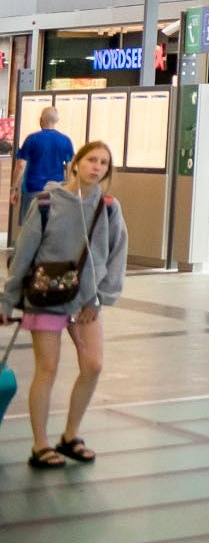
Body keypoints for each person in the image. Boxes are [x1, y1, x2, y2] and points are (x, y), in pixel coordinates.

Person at [1, 142, 128, 470]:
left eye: (103, 163)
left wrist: (101, 297)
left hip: (86, 301)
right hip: (46, 298)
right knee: (47, 369)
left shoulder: (109, 207)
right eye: (91, 160)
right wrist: (8, 299)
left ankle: (70, 435)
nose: (97, 167)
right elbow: (25, 252)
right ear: (75, 163)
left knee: (93, 365)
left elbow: (116, 255)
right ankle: (40, 444)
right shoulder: (47, 202)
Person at [10, 106, 76, 216]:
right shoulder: (65, 140)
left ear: (41, 120)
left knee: (30, 228)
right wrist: (70, 192)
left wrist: (14, 189)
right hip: (56, 191)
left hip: (33, 190)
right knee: (52, 228)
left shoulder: (32, 139)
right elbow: (71, 168)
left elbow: (21, 165)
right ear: (56, 121)